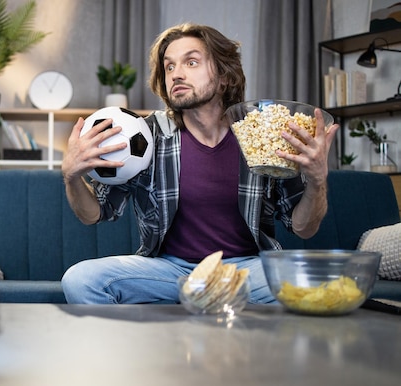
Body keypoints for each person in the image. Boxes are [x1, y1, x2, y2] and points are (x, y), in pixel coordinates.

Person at [60, 23, 339, 304]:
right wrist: (71, 176)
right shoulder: (144, 136)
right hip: (169, 272)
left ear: (225, 77)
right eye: (169, 67)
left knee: (310, 280)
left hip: (246, 271)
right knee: (80, 280)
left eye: (191, 62)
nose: (176, 74)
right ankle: (141, 345)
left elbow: (304, 228)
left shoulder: (263, 133)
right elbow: (94, 213)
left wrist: (317, 180)